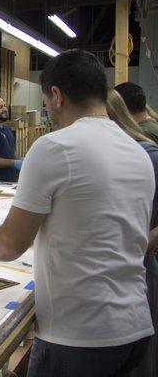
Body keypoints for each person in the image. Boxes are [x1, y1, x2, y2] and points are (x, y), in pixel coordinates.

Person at [0, 49, 154, 377]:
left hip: (79, 337)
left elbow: (11, 244)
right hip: (135, 327)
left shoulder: (55, 147)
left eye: (44, 100)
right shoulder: (137, 151)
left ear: (56, 95)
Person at [106, 89, 158, 377]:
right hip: (123, 266)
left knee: (141, 352)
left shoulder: (146, 154)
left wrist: (149, 238)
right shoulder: (121, 153)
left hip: (140, 265)